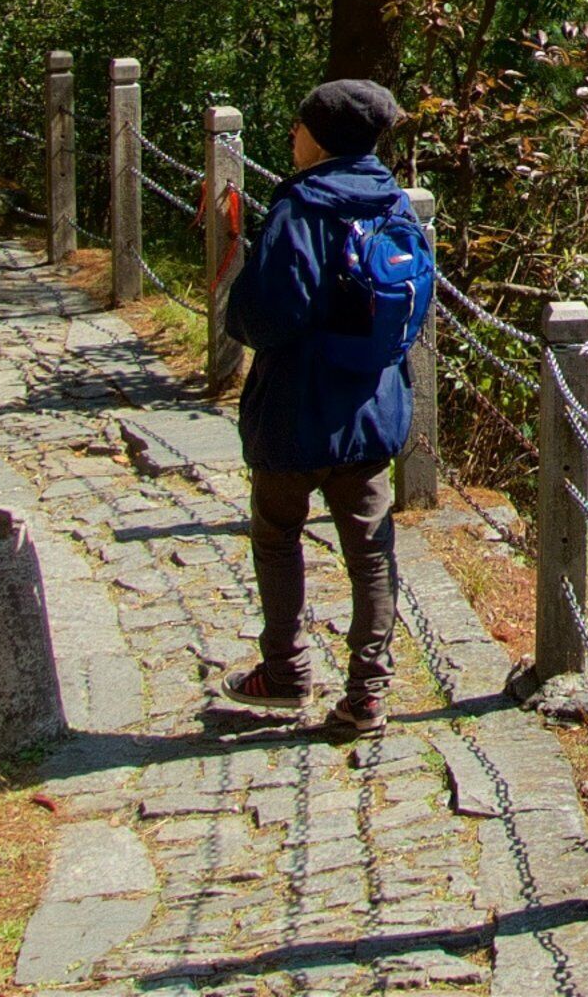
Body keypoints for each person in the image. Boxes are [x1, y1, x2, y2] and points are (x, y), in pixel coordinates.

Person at [220, 78, 435, 739]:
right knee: (371, 551)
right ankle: (368, 694)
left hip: (295, 410)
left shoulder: (301, 208)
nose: (291, 135)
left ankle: (285, 672)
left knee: (277, 531)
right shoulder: (395, 207)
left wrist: (238, 307)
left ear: (320, 138)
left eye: (298, 126)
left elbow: (265, 317)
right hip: (371, 407)